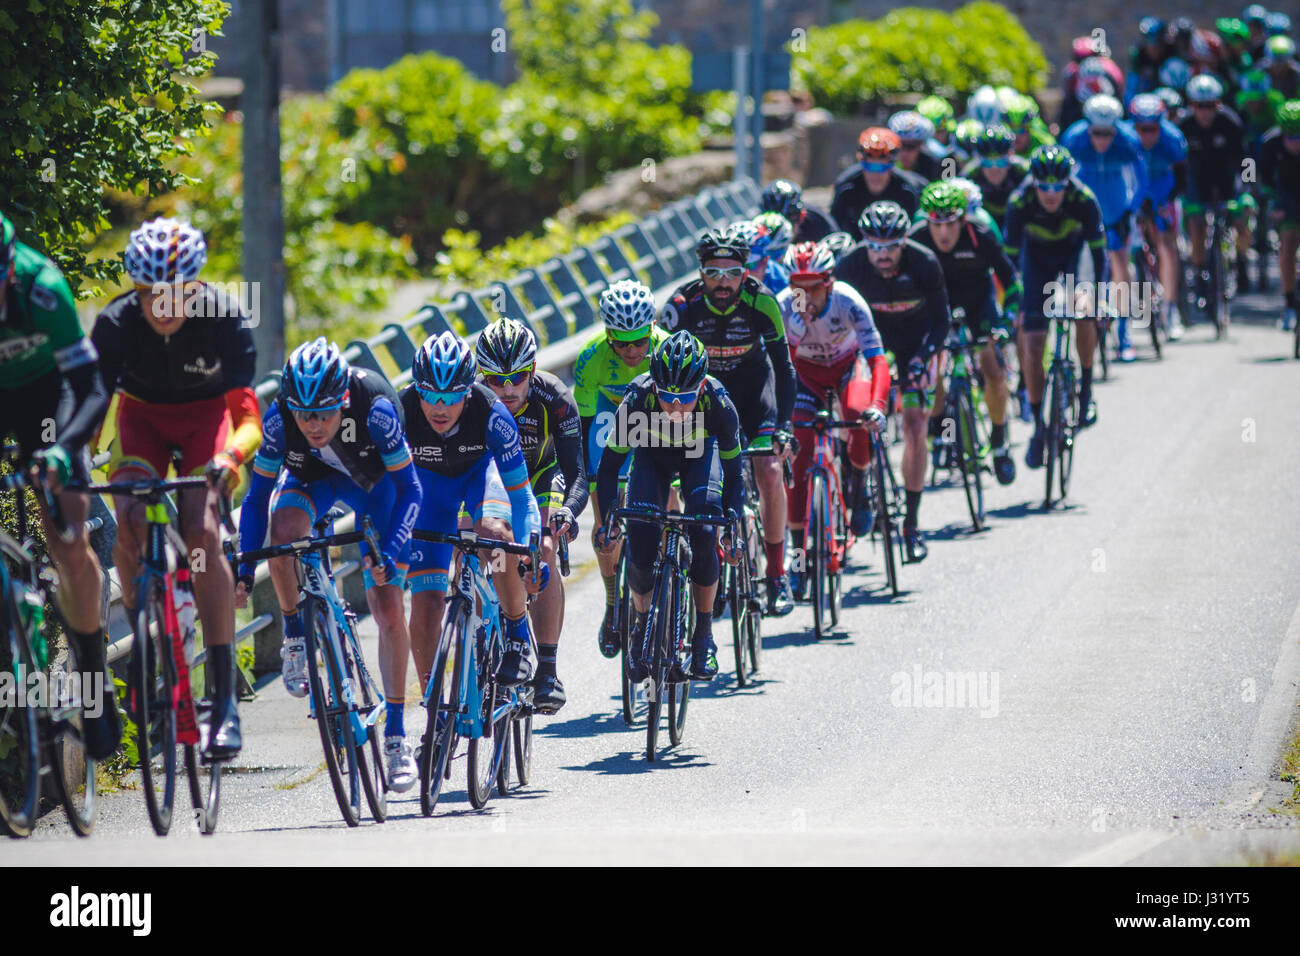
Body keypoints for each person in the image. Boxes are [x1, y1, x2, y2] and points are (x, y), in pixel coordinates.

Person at [95, 217, 261, 759]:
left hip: (205, 424)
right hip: (141, 421)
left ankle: (223, 699)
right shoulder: (116, 324)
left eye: (177, 295)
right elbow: (95, 411)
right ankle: (148, 630)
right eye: (151, 297)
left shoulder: (226, 317)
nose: (164, 308)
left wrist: (229, 458)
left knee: (201, 531)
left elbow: (247, 417)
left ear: (196, 287)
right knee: (131, 518)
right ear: (136, 292)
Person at [235, 338, 420, 789]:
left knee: (389, 605)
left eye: (322, 413)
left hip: (376, 488)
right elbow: (257, 497)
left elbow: (412, 490)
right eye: (304, 414)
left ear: (343, 401)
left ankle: (396, 735)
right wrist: (243, 569)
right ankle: (296, 635)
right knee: (283, 536)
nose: (313, 425)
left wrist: (391, 553)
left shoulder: (375, 407)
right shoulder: (280, 419)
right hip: (314, 481)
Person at [0, 211, 120, 759]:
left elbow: (90, 386)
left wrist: (58, 447)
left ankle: (95, 687)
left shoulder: (43, 287)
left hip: (54, 397)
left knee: (68, 539)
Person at [399, 332, 544, 708]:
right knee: (427, 603)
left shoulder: (492, 414)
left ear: (469, 391)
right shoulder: (401, 413)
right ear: (417, 389)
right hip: (429, 492)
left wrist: (529, 546)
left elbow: (523, 497)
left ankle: (515, 632)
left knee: (495, 536)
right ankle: (434, 707)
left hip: (481, 479)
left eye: (451, 397)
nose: (440, 407)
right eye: (430, 394)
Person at [660, 226, 798, 616]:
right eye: (714, 272)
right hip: (701, 403)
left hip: (754, 397)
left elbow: (785, 369)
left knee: (769, 471)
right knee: (696, 480)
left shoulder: (762, 301)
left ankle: (776, 575)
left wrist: (784, 425)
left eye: (733, 272)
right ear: (700, 271)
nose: (724, 282)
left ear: (746, 271)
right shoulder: (681, 304)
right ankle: (705, 557)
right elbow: (660, 371)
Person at [594, 331, 744, 682]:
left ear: (702, 388)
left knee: (705, 532)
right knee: (643, 545)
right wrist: (609, 523)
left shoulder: (720, 405)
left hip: (698, 460)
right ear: (655, 388)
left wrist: (731, 527)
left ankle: (703, 635)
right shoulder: (637, 397)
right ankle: (642, 623)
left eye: (687, 398)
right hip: (652, 461)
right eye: (668, 398)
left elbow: (734, 475)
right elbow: (608, 468)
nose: (677, 408)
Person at [473, 318, 586, 713]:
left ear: (532, 370)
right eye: (495, 379)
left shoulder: (554, 397)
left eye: (518, 377)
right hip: (492, 479)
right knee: (477, 539)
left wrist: (568, 514)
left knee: (544, 545)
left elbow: (577, 475)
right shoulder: (469, 400)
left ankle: (548, 670)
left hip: (541, 477)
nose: (507, 389)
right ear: (480, 374)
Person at [834, 201, 949, 562]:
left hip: (915, 343)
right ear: (864, 244)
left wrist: (920, 360)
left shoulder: (925, 262)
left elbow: (941, 322)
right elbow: (839, 321)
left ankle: (911, 525)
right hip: (870, 346)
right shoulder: (849, 265)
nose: (883, 255)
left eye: (892, 246)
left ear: (904, 241)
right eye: (875, 247)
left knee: (915, 427)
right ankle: (860, 485)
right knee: (857, 413)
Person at [778, 240, 890, 595]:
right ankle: (797, 558)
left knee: (858, 416)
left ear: (828, 282)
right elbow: (781, 368)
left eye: (812, 286)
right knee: (798, 458)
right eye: (797, 285)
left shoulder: (849, 301)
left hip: (845, 368)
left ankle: (859, 488)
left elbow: (877, 360)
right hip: (804, 376)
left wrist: (879, 405)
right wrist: (796, 329)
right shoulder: (784, 307)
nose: (804, 294)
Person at [574, 279, 668, 656]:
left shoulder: (665, 349)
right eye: (622, 341)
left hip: (657, 417)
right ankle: (614, 603)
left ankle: (666, 568)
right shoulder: (590, 357)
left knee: (668, 496)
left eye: (639, 340)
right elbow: (582, 432)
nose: (631, 350)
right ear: (607, 335)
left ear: (652, 330)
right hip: (608, 417)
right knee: (606, 526)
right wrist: (590, 479)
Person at [908, 181, 1021, 486]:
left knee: (992, 367)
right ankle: (942, 430)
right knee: (935, 367)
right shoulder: (916, 239)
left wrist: (1007, 320)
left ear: (962, 220)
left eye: (950, 224)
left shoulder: (980, 234)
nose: (943, 233)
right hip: (937, 303)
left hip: (977, 303)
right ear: (926, 221)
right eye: (936, 224)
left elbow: (1011, 281)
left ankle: (998, 441)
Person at [1004, 145, 1107, 466]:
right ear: (1033, 183)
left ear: (1068, 183)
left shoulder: (1084, 200)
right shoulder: (1019, 203)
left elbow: (1100, 256)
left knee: (1084, 309)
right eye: (1044, 186)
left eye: (1058, 186)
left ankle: (1086, 391)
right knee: (1032, 347)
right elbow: (1009, 260)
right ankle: (1039, 427)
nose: (1051, 194)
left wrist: (1098, 297)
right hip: (1037, 262)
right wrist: (1015, 302)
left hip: (1076, 257)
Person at [1061, 94, 1149, 361]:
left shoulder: (1128, 141)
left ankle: (1124, 334)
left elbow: (1141, 181)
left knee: (1121, 266)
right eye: (1096, 133)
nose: (1102, 140)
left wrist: (1130, 212)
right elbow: (1062, 179)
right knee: (1083, 271)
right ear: (1087, 127)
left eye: (1107, 133)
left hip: (1116, 211)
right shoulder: (1073, 139)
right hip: (1086, 213)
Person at [1177, 74, 1254, 299]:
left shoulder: (1229, 122)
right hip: (1197, 181)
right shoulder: (1184, 125)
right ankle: (1200, 272)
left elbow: (1246, 158)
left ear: (1217, 104)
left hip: (1226, 178)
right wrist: (1180, 192)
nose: (1205, 112)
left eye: (1210, 106)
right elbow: (1177, 164)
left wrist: (1248, 189)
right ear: (1192, 106)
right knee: (1196, 225)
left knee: (1242, 219)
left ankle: (1241, 262)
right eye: (1200, 106)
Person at [1129, 93, 1190, 339]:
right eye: (1141, 129)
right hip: (1136, 192)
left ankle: (1171, 307)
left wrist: (1169, 200)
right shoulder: (1125, 139)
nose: (1147, 135)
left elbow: (1183, 176)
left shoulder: (1173, 138)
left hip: (1164, 191)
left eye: (1152, 128)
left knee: (1166, 245)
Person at [831, 127, 926, 241]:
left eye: (882, 168)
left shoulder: (909, 188)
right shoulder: (845, 186)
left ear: (892, 166)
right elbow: (835, 229)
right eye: (869, 167)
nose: (875, 174)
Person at [1258, 99, 1300, 330]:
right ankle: (1289, 303)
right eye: (1290, 137)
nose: (1296, 143)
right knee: (1288, 244)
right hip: (1285, 197)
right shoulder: (1269, 142)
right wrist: (1266, 200)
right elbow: (1254, 172)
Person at [963, 124, 1031, 230]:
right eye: (987, 163)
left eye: (1001, 162)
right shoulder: (969, 175)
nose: (994, 169)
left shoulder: (1024, 171)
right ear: (979, 160)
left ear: (1011, 155)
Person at [760, 179, 838, 243]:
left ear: (802, 216)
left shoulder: (821, 225)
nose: (778, 233)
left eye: (787, 225)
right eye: (771, 226)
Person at [888, 111, 944, 182]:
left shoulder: (935, 166)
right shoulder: (886, 162)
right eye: (900, 145)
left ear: (921, 145)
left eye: (911, 147)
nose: (904, 153)